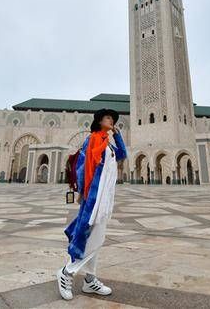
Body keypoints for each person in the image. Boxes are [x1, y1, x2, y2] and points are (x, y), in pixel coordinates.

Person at [57, 108, 127, 301]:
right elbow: (82, 166)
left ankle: (89, 280)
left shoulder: (109, 144)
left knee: (97, 237)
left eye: (113, 118)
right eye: (107, 118)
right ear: (98, 121)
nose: (111, 120)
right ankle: (66, 272)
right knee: (92, 238)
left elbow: (123, 155)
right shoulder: (93, 139)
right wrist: (83, 192)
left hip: (105, 198)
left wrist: (118, 135)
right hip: (93, 197)